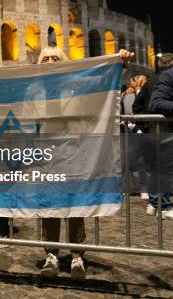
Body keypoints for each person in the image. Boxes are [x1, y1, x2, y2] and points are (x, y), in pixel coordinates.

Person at [37, 46, 133, 279]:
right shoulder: (33, 87)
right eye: (46, 58)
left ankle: (77, 255)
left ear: (64, 61)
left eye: (55, 58)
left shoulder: (76, 84)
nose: (50, 61)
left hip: (73, 150)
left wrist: (119, 63)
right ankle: (51, 254)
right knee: (50, 205)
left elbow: (101, 84)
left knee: (74, 204)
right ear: (39, 62)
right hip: (45, 152)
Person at [146, 53, 173, 221]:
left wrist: (145, 126)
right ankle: (163, 205)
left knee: (157, 168)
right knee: (164, 168)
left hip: (155, 131)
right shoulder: (169, 77)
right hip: (165, 131)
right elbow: (154, 104)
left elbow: (139, 105)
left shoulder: (151, 79)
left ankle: (154, 202)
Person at [121, 74, 149, 199]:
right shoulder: (129, 94)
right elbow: (130, 113)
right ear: (135, 82)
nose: (146, 82)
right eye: (143, 80)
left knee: (138, 159)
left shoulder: (142, 93)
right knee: (129, 159)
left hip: (139, 131)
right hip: (130, 131)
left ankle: (141, 188)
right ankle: (130, 187)